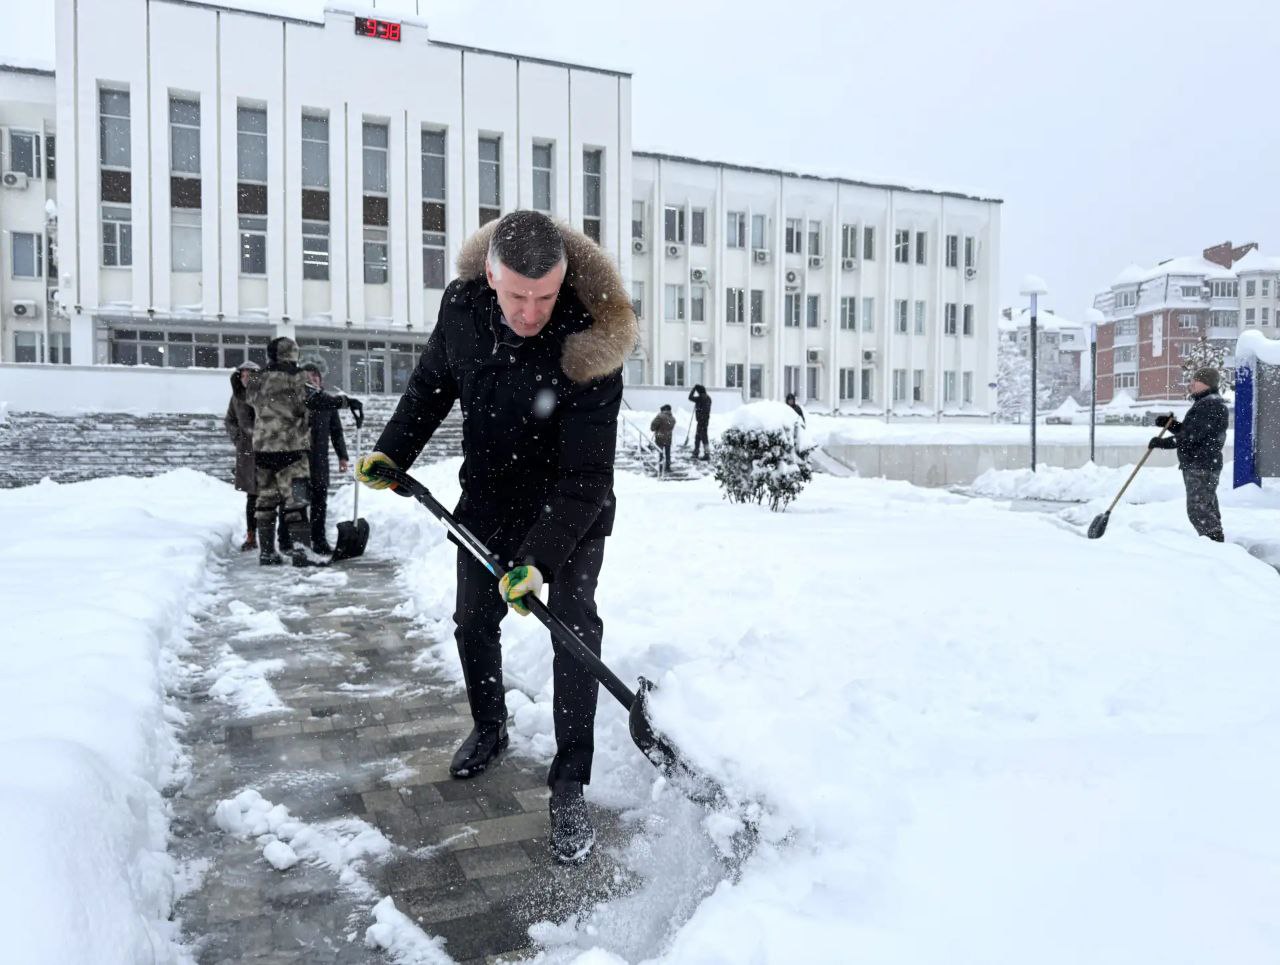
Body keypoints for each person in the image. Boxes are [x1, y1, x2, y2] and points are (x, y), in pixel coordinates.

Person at [354, 210, 635, 863]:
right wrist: (394, 452)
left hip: (570, 508)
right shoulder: (462, 307)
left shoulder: (592, 336)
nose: (530, 311)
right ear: (489, 275)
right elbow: (432, 385)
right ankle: (490, 726)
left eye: (544, 296)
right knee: (472, 619)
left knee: (572, 630)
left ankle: (569, 785)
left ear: (563, 282)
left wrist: (538, 561)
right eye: (516, 295)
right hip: (487, 496)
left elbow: (589, 475)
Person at [245, 336, 359, 565]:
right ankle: (300, 552)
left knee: (266, 501)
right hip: (292, 452)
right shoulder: (296, 379)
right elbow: (316, 399)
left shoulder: (256, 380)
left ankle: (267, 552)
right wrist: (346, 402)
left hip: (263, 452)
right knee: (296, 503)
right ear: (291, 354)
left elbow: (250, 407)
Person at [1148, 366, 1229, 542]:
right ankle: (1216, 542)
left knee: (1198, 509)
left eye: (1196, 381)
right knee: (1205, 506)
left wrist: (1163, 443)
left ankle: (1215, 543)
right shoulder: (1207, 403)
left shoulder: (1209, 405)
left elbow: (1191, 437)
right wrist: (1170, 425)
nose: (1191, 384)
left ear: (1206, 384)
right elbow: (1191, 431)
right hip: (1203, 463)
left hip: (1201, 465)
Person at [300, 362, 352, 554]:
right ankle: (296, 542)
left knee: (319, 502)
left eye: (316, 375)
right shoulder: (296, 400)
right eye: (309, 375)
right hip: (298, 460)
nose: (313, 378)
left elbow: (336, 432)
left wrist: (342, 457)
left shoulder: (328, 402)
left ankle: (319, 540)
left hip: (320, 460)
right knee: (297, 502)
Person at [224, 360, 262, 551]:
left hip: (266, 451)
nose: (246, 378)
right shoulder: (236, 397)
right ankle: (251, 536)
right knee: (252, 497)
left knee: (271, 497)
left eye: (250, 375)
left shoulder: (265, 395)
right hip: (247, 452)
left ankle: (272, 537)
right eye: (243, 375)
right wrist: (238, 437)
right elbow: (229, 420)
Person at [687, 384, 712, 459]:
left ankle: (706, 454)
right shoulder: (708, 398)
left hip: (701, 421)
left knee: (702, 437)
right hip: (705, 420)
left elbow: (690, 397)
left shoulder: (700, 398)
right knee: (699, 437)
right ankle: (697, 452)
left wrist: (693, 389)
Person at [650, 404, 676, 474]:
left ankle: (660, 467)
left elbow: (652, 427)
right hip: (668, 438)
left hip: (660, 437)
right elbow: (670, 427)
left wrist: (656, 428)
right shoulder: (673, 418)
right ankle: (668, 467)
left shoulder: (660, 416)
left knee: (660, 453)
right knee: (668, 453)